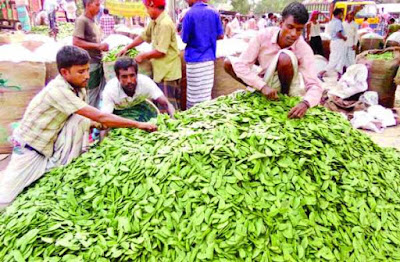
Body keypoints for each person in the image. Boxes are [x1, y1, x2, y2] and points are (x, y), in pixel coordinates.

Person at [0, 46, 157, 209]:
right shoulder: (58, 91)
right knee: (7, 196)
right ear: (64, 72)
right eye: (81, 71)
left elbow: (89, 118)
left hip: (51, 143)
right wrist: (138, 124)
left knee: (82, 120)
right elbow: (100, 116)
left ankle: (66, 164)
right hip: (30, 146)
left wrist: (100, 125)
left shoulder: (79, 88)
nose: (87, 76)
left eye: (88, 70)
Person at [224, 2, 323, 119]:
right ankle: (256, 91)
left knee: (284, 56)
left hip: (289, 87)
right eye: (290, 27)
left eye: (299, 30)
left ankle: (283, 98)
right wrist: (262, 86)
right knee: (228, 63)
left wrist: (305, 103)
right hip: (265, 82)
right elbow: (241, 65)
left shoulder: (303, 49)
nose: (293, 34)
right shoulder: (263, 36)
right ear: (281, 23)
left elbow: (315, 85)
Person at [118, 0, 182, 110]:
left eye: (147, 8)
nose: (147, 11)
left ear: (153, 6)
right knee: (163, 106)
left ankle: (172, 125)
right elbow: (144, 36)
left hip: (168, 72)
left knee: (168, 106)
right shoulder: (154, 22)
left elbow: (161, 51)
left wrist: (143, 56)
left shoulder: (165, 23)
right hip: (160, 72)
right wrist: (127, 47)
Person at [181, 0, 224, 109]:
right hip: (208, 61)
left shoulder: (189, 14)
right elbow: (220, 36)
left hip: (193, 62)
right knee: (205, 97)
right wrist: (208, 38)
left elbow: (184, 39)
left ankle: (192, 121)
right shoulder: (214, 13)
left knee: (192, 97)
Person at [102, 58, 175, 118]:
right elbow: (106, 117)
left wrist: (174, 120)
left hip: (141, 111)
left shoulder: (145, 82)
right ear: (118, 77)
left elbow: (166, 104)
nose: (129, 81)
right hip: (117, 113)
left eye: (132, 75)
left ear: (137, 74)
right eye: (124, 77)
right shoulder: (111, 90)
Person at [73, 0, 109, 108]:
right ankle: (89, 120)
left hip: (97, 61)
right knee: (91, 93)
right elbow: (76, 42)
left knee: (98, 91)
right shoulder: (82, 21)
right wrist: (98, 46)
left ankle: (95, 117)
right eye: (97, 5)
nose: (99, 8)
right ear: (88, 5)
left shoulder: (93, 21)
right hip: (90, 63)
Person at [318, 9, 347, 81]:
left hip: (334, 42)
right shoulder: (338, 22)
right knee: (335, 60)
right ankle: (321, 73)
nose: (342, 16)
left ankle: (339, 76)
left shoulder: (332, 22)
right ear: (339, 14)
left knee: (340, 59)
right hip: (338, 42)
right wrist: (344, 38)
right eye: (341, 14)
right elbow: (338, 33)